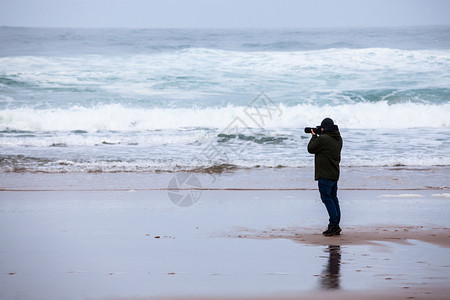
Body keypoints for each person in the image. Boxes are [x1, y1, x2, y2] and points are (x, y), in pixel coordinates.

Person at [307, 118, 343, 236]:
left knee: (327, 199)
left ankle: (333, 225)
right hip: (334, 174)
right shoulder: (338, 138)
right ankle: (336, 224)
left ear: (323, 128)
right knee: (333, 198)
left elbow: (311, 149)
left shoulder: (323, 138)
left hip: (325, 174)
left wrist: (314, 136)